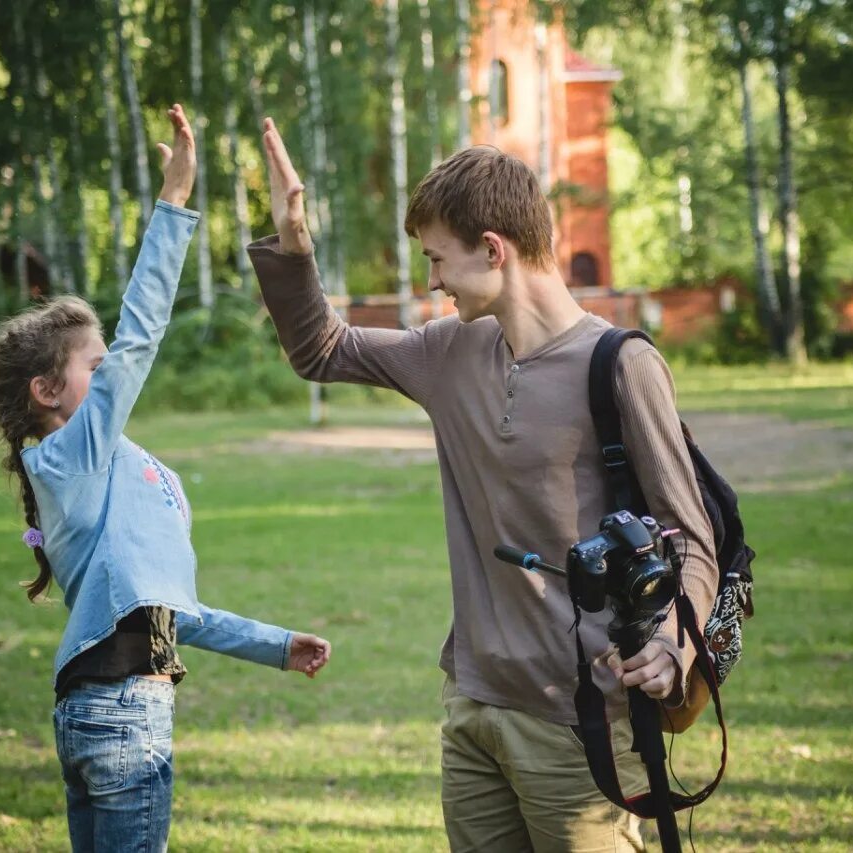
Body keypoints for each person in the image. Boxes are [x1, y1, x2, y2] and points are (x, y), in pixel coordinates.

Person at [247, 119, 718, 852]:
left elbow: (690, 534)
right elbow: (320, 347)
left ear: (493, 249)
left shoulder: (621, 365)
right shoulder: (449, 350)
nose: (430, 278)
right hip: (472, 703)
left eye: (437, 258)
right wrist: (291, 248)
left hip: (581, 716)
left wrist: (672, 644)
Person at [0, 104, 331, 853]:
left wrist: (276, 644)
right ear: (47, 392)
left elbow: (179, 611)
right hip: (121, 717)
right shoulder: (65, 457)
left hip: (106, 713)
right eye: (95, 372)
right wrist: (173, 203)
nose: (113, 380)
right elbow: (138, 338)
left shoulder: (133, 474)